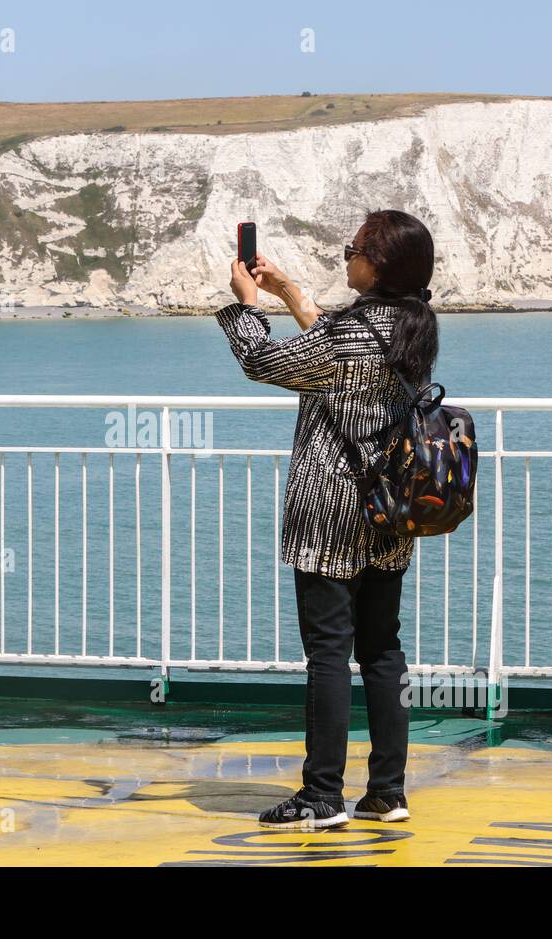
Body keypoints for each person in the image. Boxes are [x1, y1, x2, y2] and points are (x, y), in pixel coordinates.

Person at [215, 210, 439, 828]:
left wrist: (247, 305)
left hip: (331, 507)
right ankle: (388, 791)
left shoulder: (349, 334)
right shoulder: (416, 325)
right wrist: (287, 290)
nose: (347, 258)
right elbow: (337, 357)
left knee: (329, 655)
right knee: (383, 650)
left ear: (378, 264)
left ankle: (320, 797)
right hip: (389, 506)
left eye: (353, 250)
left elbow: (269, 364)